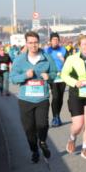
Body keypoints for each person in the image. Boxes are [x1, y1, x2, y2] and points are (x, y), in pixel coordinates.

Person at [9, 31, 59, 163]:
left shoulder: (46, 57)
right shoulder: (19, 60)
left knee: (42, 124)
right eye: (30, 43)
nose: (33, 45)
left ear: (39, 43)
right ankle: (34, 151)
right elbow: (12, 79)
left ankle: (42, 142)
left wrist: (49, 77)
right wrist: (25, 76)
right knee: (29, 129)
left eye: (35, 42)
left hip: (42, 98)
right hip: (26, 100)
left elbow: (54, 73)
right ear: (26, 44)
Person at [44, 33, 68, 126]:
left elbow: (69, 62)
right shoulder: (47, 50)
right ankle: (55, 117)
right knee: (55, 96)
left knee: (61, 98)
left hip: (62, 76)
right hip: (52, 76)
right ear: (50, 41)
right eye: (53, 39)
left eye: (57, 40)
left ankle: (58, 115)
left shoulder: (63, 50)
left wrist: (63, 60)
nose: (55, 41)